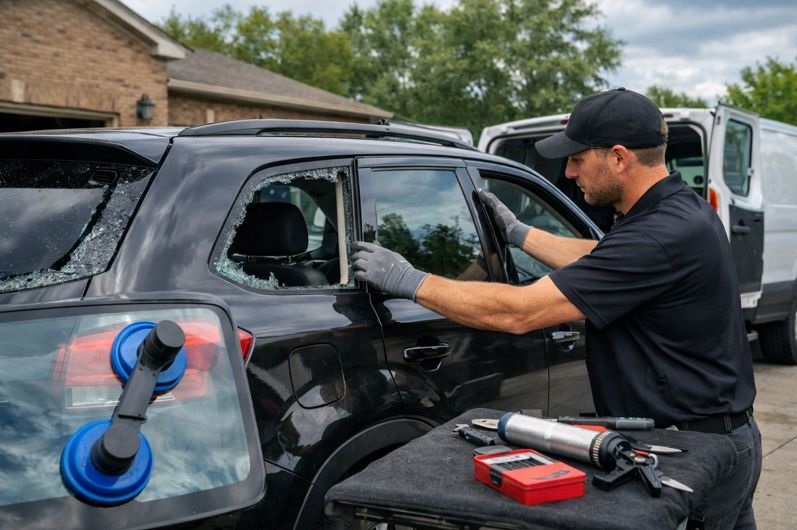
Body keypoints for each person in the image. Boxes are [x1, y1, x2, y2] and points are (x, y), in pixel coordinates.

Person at [352, 88, 761, 529]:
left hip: (693, 453)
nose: (568, 172)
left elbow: (520, 312)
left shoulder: (657, 234)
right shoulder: (680, 211)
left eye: (577, 159)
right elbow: (603, 257)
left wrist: (412, 281)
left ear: (618, 158)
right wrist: (520, 234)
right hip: (723, 437)